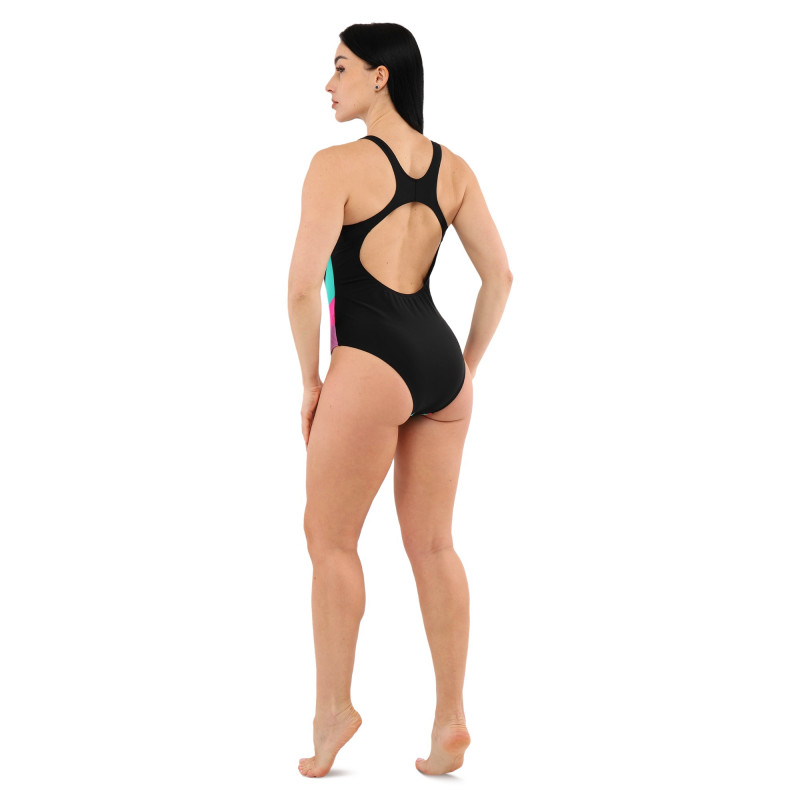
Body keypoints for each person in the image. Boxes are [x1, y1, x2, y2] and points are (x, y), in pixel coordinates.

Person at [287, 22, 512, 778]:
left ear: (380, 76)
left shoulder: (335, 166)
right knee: (435, 545)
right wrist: (465, 369)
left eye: (341, 67)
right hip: (439, 362)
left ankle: (332, 713)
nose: (329, 84)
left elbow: (300, 288)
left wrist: (312, 383)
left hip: (370, 361)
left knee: (330, 540)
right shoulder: (455, 169)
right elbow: (501, 276)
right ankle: (451, 719)